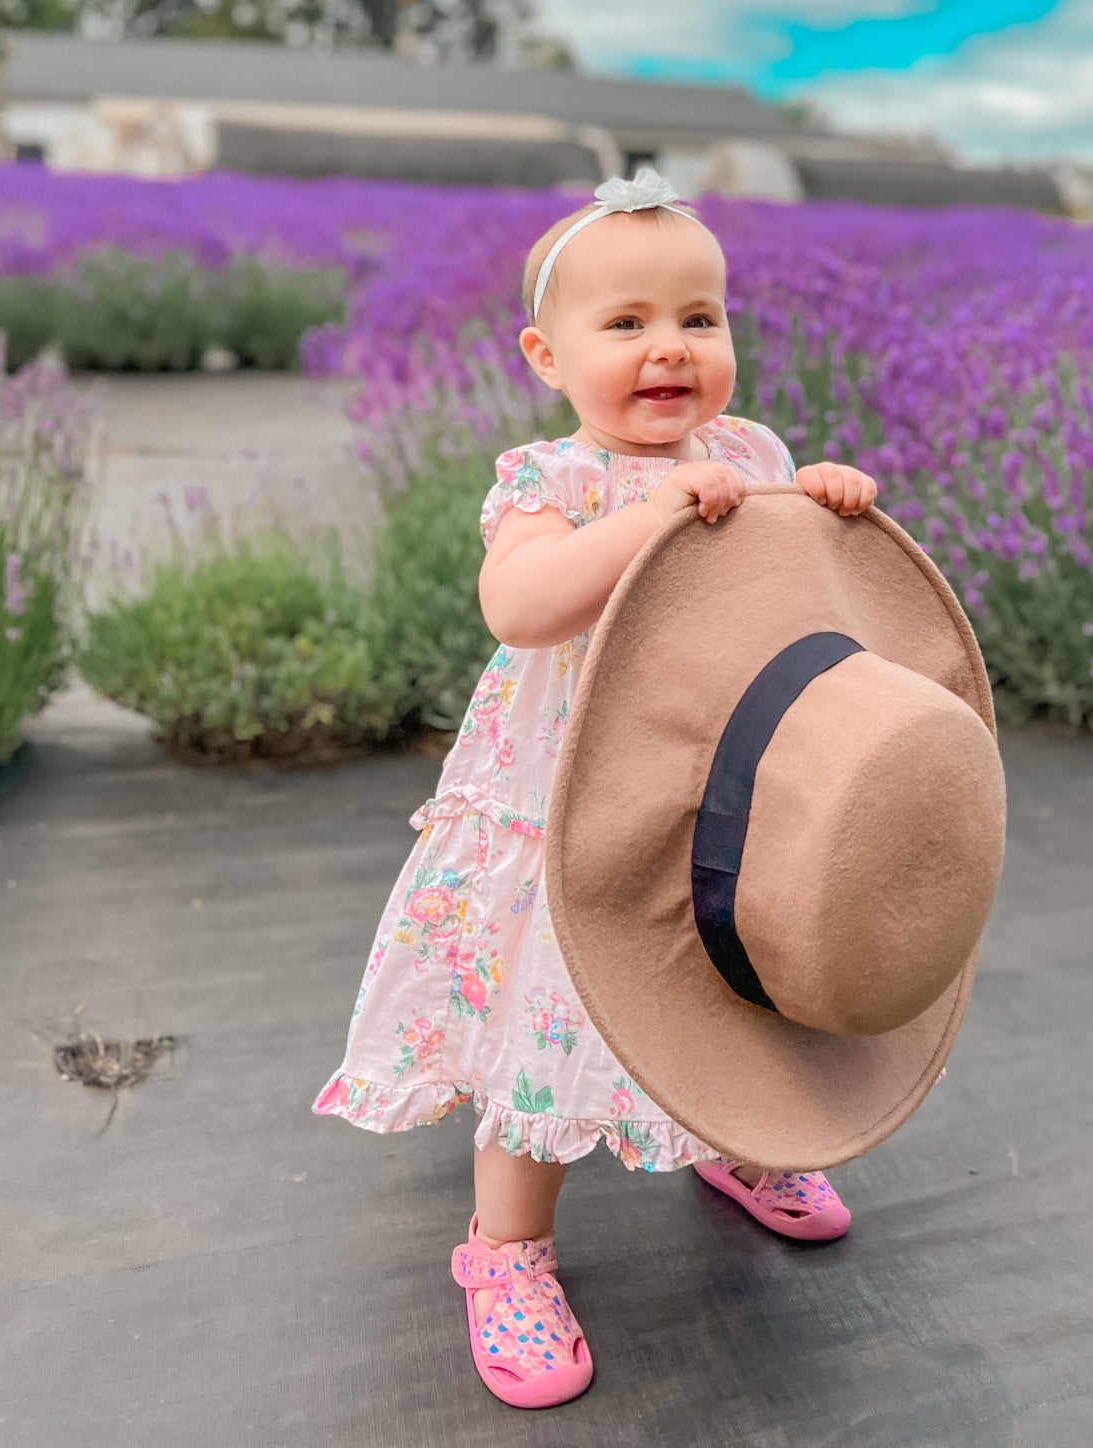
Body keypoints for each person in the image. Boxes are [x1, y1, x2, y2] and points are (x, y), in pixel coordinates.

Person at [314, 169, 883, 1410]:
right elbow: (520, 604)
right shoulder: (548, 483)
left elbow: (798, 587)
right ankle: (507, 1246)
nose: (668, 347)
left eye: (699, 316)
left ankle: (745, 1142)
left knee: (738, 974)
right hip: (574, 804)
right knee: (552, 1008)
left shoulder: (752, 452)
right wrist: (655, 512)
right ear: (546, 353)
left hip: (717, 788)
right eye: (624, 324)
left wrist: (824, 502)